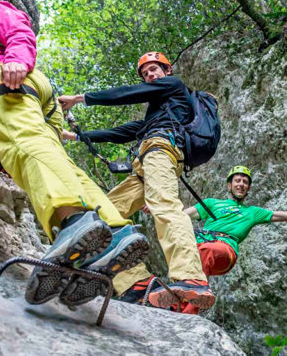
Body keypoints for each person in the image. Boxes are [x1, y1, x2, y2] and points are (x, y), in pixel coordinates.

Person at [0, 0, 148, 306]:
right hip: (32, 88)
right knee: (57, 160)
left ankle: (74, 221)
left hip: (9, 77)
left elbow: (19, 31)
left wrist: (16, 58)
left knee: (22, 148)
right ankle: (115, 232)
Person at [57, 51, 214, 310]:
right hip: (145, 164)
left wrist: (79, 99)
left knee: (164, 205)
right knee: (100, 216)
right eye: (145, 73)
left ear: (167, 71)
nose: (150, 75)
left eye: (154, 70)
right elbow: (121, 133)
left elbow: (128, 93)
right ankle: (133, 282)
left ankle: (191, 278)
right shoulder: (160, 113)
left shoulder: (174, 86)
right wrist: (70, 136)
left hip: (161, 150)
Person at [116, 165, 287, 314]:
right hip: (201, 244)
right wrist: (154, 209)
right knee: (187, 254)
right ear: (229, 185)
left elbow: (286, 215)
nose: (241, 184)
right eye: (237, 181)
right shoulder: (211, 203)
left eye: (245, 182)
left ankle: (188, 312)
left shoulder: (253, 212)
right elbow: (180, 213)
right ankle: (176, 301)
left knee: (206, 252)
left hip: (224, 250)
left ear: (248, 188)